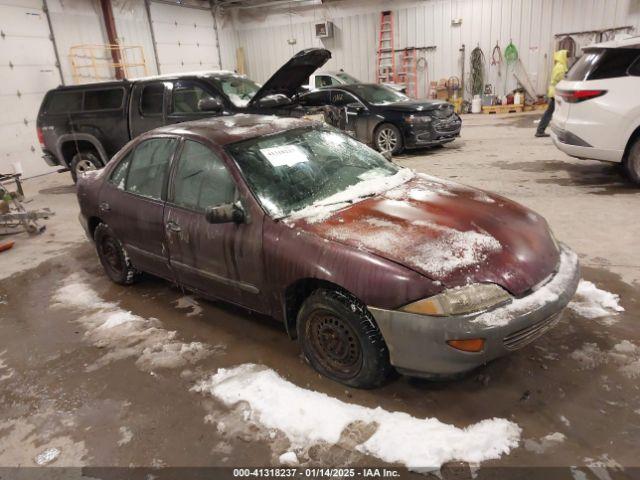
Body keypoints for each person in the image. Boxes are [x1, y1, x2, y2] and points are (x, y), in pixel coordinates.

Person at [536, 49, 568, 137]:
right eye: (566, 56)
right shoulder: (561, 67)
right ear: (563, 57)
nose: (567, 59)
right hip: (557, 92)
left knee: (552, 111)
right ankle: (540, 130)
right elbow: (562, 79)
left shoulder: (558, 65)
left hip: (555, 91)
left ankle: (541, 130)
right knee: (550, 112)